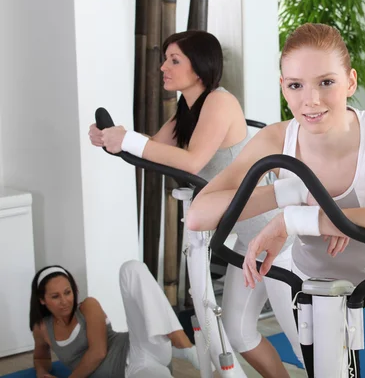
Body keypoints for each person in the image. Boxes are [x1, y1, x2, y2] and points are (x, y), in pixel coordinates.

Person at [185, 22, 365, 377]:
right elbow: (200, 214)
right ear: (283, 88)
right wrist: (290, 192)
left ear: (350, 81)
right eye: (296, 85)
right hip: (318, 283)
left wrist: (300, 219)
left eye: (326, 82)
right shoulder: (276, 140)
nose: (311, 99)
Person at [88, 30, 303, 377]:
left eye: (174, 60)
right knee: (239, 333)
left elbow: (191, 160)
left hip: (280, 238)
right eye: (165, 59)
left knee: (302, 339)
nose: (163, 67)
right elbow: (153, 146)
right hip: (249, 242)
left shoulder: (219, 102)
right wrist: (113, 139)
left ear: (200, 67)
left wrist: (127, 140)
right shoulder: (187, 110)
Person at [29, 261, 201, 378]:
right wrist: (42, 374)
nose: (65, 301)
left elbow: (98, 353)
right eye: (55, 296)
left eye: (68, 292)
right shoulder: (42, 328)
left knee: (131, 268)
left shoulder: (88, 307)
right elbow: (41, 358)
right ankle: (177, 351)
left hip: (140, 347)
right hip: (135, 371)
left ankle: (184, 344)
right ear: (42, 300)